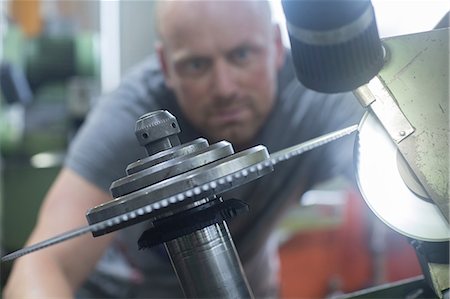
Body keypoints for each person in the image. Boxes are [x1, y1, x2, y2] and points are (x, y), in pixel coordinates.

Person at [4, 1, 363, 298]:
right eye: (196, 64)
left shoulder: (314, 98)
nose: (224, 88)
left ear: (275, 46)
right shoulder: (128, 117)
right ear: (165, 66)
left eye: (242, 55)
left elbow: (393, 164)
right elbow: (43, 265)